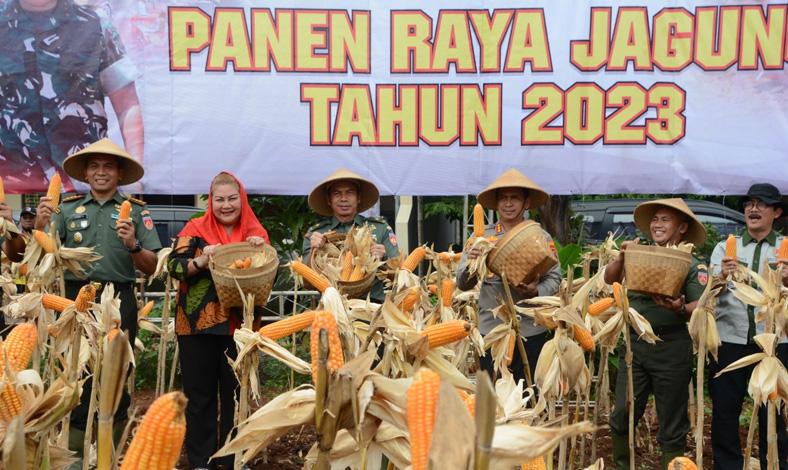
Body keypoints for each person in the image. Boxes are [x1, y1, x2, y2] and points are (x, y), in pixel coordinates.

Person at [34, 137, 160, 462]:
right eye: (94, 166)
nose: (101, 172)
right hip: (78, 302)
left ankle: (109, 457)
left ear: (118, 174)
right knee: (77, 378)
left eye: (108, 166)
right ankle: (75, 459)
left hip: (121, 300)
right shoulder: (65, 210)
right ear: (86, 174)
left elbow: (153, 265)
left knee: (116, 379)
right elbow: (40, 253)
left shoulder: (137, 211)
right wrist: (39, 224)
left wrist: (133, 244)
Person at [168, 172, 269, 470]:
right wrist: (201, 259)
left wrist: (257, 248)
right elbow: (174, 266)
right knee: (199, 395)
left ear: (242, 199)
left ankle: (235, 458)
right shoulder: (195, 228)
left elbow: (268, 270)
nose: (226, 205)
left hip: (241, 329)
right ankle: (202, 460)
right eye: (219, 200)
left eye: (232, 199)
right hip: (196, 326)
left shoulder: (254, 232)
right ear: (211, 202)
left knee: (237, 395)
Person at [604, 198, 708, 469]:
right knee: (623, 412)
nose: (658, 224)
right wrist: (622, 257)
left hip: (670, 346)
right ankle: (622, 464)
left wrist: (680, 308)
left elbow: (701, 303)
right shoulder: (639, 253)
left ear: (682, 227)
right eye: (655, 219)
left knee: (672, 418)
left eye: (666, 220)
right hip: (634, 345)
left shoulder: (691, 263)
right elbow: (610, 279)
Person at [0, 0, 144, 192]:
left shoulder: (94, 23)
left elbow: (127, 105)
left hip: (86, 184)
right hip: (11, 185)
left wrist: (134, 178)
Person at [456, 168, 562, 384]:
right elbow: (462, 284)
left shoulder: (540, 237)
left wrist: (536, 291)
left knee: (529, 397)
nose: (508, 203)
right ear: (496, 203)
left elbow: (555, 278)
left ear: (526, 202)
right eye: (503, 198)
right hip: (491, 329)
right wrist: (474, 264)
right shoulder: (480, 238)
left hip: (530, 330)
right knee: (493, 400)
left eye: (514, 198)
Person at [709, 183, 787, 470]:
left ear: (776, 212)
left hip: (776, 343)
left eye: (762, 204)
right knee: (725, 411)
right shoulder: (723, 247)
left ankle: (775, 463)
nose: (753, 209)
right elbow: (710, 295)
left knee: (775, 411)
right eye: (749, 204)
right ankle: (726, 465)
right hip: (730, 339)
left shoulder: (785, 248)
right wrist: (720, 276)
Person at [302, 168, 398, 302]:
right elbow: (305, 282)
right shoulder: (317, 233)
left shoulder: (380, 229)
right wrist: (314, 251)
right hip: (332, 307)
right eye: (337, 193)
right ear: (329, 200)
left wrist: (384, 259)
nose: (343, 198)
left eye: (350, 193)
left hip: (372, 306)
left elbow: (398, 276)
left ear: (359, 198)